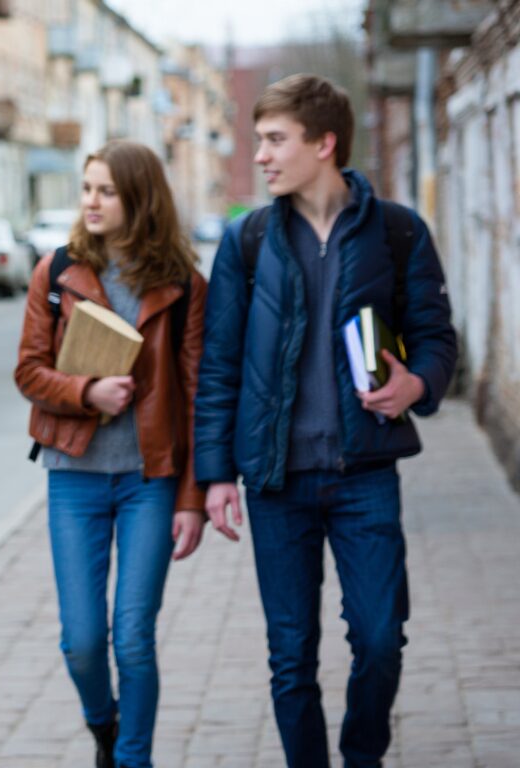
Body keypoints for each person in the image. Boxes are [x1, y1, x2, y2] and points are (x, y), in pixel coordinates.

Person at [195, 74, 458, 768]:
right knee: (292, 656)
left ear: (325, 143)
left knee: (379, 638)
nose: (260, 156)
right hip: (277, 483)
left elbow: (436, 337)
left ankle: (362, 756)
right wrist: (215, 475)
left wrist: (417, 383)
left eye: (275, 140)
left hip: (365, 474)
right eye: (259, 140)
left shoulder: (397, 232)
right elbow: (218, 365)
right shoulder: (245, 241)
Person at [13, 140, 207, 768]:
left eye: (106, 190)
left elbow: (199, 396)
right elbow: (28, 373)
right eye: (87, 188)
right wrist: (86, 390)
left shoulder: (182, 284)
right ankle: (105, 726)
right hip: (75, 478)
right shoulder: (56, 272)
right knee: (83, 642)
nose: (91, 201)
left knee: (133, 638)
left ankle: (133, 759)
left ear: (140, 198)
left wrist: (193, 498)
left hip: (151, 479)